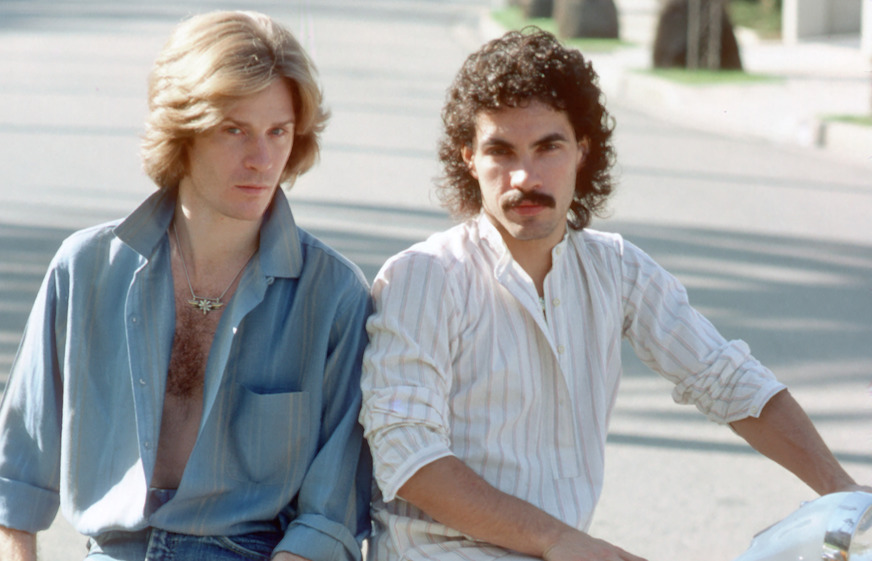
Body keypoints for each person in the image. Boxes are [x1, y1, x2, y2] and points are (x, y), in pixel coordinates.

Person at [359, 27, 869, 561]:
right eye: (501, 150)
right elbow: (408, 457)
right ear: (469, 158)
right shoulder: (425, 277)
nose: (524, 176)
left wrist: (841, 490)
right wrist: (561, 541)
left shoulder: (614, 268)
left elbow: (727, 379)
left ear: (582, 151)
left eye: (547, 147)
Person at [0, 11, 372, 561]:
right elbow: (16, 477)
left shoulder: (333, 295)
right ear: (182, 130)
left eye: (277, 131)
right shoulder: (86, 268)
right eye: (234, 130)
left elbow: (330, 513)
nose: (262, 160)